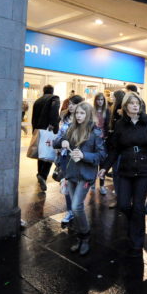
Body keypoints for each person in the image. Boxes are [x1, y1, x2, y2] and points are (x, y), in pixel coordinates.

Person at [99, 92, 147, 257]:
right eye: (131, 103)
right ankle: (135, 223)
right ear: (125, 106)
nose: (135, 106)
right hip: (125, 169)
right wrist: (105, 167)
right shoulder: (120, 125)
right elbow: (115, 149)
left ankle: (137, 242)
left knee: (138, 206)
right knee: (124, 204)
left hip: (145, 170)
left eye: (137, 103)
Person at [53, 102, 106, 256]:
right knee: (75, 208)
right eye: (77, 113)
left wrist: (84, 155)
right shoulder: (71, 128)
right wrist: (60, 142)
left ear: (88, 114)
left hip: (86, 175)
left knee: (76, 206)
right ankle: (80, 237)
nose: (79, 116)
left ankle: (85, 236)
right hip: (71, 173)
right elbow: (57, 141)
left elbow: (102, 155)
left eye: (82, 113)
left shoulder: (95, 132)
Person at [55, 94, 84, 227]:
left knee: (79, 184)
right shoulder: (64, 118)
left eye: (74, 103)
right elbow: (58, 139)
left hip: (80, 157)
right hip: (66, 156)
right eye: (70, 103)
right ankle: (70, 211)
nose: (70, 106)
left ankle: (77, 209)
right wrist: (61, 142)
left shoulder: (84, 120)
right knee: (68, 183)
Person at [31, 84, 60, 191]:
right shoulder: (54, 98)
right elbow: (54, 112)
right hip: (49, 131)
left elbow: (33, 117)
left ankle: (40, 174)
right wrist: (53, 124)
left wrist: (34, 130)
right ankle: (43, 176)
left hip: (39, 130)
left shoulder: (37, 101)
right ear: (52, 91)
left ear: (44, 91)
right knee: (50, 154)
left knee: (41, 153)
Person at [107, 90, 126, 208]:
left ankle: (121, 198)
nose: (111, 98)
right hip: (114, 146)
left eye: (113, 96)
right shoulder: (115, 109)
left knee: (118, 173)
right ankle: (120, 197)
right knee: (116, 172)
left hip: (119, 147)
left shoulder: (121, 110)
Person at [92, 93, 111, 195]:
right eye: (98, 99)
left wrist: (106, 136)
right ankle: (92, 184)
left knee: (103, 163)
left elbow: (108, 125)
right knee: (93, 162)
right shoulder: (92, 111)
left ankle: (102, 185)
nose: (100, 101)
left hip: (103, 140)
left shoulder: (107, 111)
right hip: (93, 140)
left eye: (102, 100)